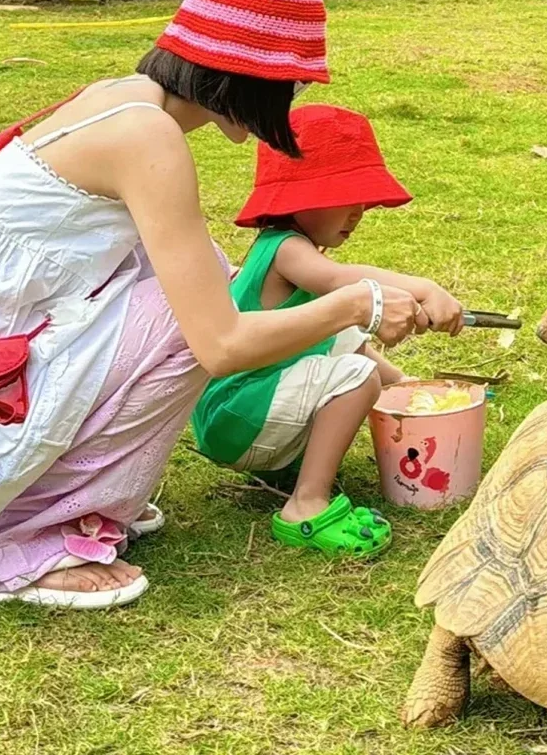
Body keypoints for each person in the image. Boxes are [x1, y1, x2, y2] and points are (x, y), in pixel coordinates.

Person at [0, 0, 427, 609]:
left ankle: (72, 496)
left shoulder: (126, 99)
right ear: (246, 70)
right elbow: (221, 344)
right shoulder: (147, 137)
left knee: (200, 278)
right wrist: (356, 304)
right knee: (188, 325)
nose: (291, 97)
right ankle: (11, 540)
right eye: (290, 80)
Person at [191, 104, 464, 557]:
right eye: (346, 197)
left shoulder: (290, 249)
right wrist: (423, 287)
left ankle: (297, 472)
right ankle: (306, 503)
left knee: (346, 337)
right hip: (235, 415)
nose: (359, 212)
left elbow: (341, 337)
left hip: (241, 413)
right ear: (299, 197)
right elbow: (344, 281)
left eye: (364, 201)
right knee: (357, 377)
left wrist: (411, 392)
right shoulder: (286, 249)